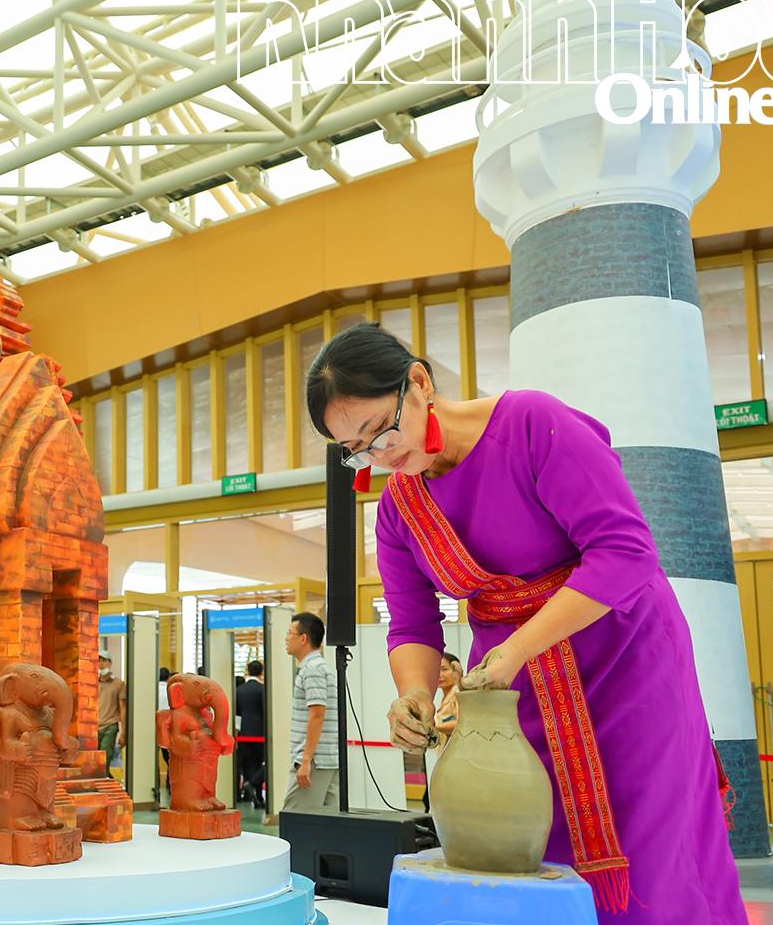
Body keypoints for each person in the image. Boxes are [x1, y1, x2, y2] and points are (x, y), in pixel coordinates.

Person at [307, 323, 745, 924]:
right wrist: (412, 692)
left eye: (382, 430)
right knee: (534, 845)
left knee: (649, 846)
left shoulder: (532, 425)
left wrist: (515, 651)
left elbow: (625, 551)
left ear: (418, 382)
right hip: (516, 695)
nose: (382, 456)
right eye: (358, 450)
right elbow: (412, 622)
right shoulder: (397, 511)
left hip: (626, 661)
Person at [281, 612, 339, 812]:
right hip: (327, 758)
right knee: (326, 824)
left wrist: (306, 760)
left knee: (295, 818)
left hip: (314, 761)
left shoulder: (312, 669)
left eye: (290, 634)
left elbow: (317, 715)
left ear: (303, 638)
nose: (286, 639)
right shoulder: (321, 667)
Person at [235, 659, 266, 807]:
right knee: (263, 763)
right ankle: (258, 793)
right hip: (260, 734)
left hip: (244, 733)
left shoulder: (239, 690)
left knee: (249, 765)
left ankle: (252, 795)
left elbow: (237, 713)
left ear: (247, 671)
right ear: (261, 672)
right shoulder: (263, 689)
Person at [96, 650, 127, 774]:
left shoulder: (119, 684)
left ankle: (105, 787)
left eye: (104, 661)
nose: (101, 664)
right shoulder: (92, 682)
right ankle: (105, 785)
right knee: (95, 761)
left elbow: (123, 708)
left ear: (110, 663)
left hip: (110, 725)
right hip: (94, 726)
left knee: (105, 759)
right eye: (98, 661)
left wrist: (124, 732)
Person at [433, 651, 461, 749]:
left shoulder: (459, 694)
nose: (439, 674)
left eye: (444, 669)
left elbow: (461, 724)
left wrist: (433, 727)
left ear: (456, 670)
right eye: (436, 670)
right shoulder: (446, 697)